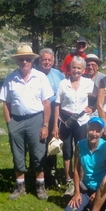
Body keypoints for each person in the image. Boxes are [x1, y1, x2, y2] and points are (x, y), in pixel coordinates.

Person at [0, 45, 53, 200]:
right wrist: (9, 124)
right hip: (16, 120)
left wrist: (45, 125)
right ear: (17, 61)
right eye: (21, 59)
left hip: (36, 119)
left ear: (32, 61)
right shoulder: (10, 79)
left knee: (38, 153)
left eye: (27, 59)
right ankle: (20, 187)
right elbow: (6, 103)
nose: (25, 62)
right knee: (18, 154)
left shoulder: (40, 77)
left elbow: (46, 103)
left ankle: (40, 187)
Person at [53, 56, 94, 196]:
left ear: (83, 70)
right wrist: (55, 125)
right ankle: (69, 181)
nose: (76, 70)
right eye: (74, 67)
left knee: (80, 151)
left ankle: (80, 180)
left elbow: (97, 97)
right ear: (70, 68)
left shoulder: (88, 83)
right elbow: (57, 105)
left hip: (82, 121)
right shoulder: (63, 84)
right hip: (65, 121)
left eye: (79, 68)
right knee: (67, 151)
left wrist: (92, 108)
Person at [63, 117, 106, 211]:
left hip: (102, 188)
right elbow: (76, 170)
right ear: (87, 130)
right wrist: (77, 193)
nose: (94, 133)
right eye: (91, 129)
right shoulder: (80, 145)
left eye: (97, 131)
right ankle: (86, 201)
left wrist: (98, 193)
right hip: (86, 187)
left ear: (101, 133)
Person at [38, 48, 65, 187]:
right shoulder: (34, 74)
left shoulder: (58, 75)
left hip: (54, 115)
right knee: (38, 144)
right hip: (38, 114)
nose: (47, 62)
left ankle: (50, 173)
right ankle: (38, 172)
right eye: (44, 59)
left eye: (49, 60)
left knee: (52, 144)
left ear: (53, 61)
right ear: (39, 61)